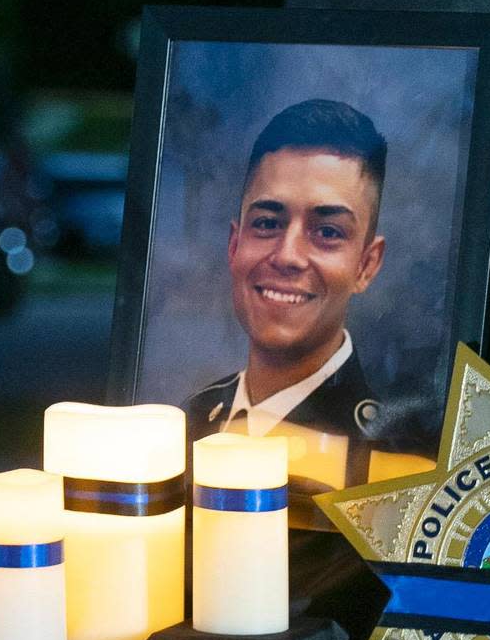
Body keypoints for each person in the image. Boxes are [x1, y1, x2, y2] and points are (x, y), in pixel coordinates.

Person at [184, 98, 434, 529]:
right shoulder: (186, 420)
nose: (288, 256)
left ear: (366, 266)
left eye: (327, 232)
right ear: (233, 244)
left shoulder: (399, 460)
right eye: (267, 223)